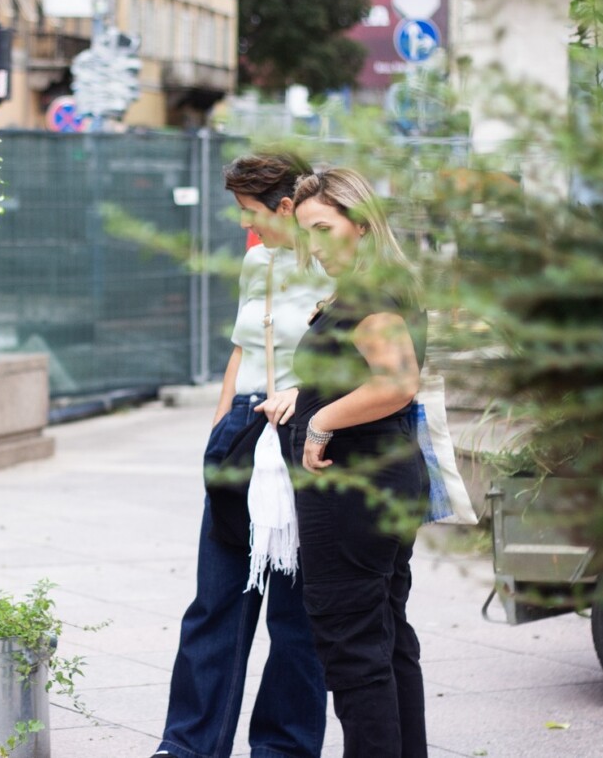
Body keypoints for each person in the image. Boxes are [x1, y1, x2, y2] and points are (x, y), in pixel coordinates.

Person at [154, 154, 328, 758]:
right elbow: (241, 349)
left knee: (294, 613)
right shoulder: (258, 262)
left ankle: (284, 748)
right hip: (243, 430)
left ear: (287, 207)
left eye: (250, 211)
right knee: (216, 600)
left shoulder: (334, 268)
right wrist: (221, 425)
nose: (243, 223)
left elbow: (350, 358)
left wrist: (305, 397)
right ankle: (188, 746)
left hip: (302, 431)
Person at [290, 168, 428, 758]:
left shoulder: (370, 295)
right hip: (375, 484)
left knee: (354, 649)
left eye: (323, 229)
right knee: (385, 641)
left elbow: (397, 383)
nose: (314, 246)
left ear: (363, 225)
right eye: (306, 233)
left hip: (355, 489)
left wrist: (321, 421)